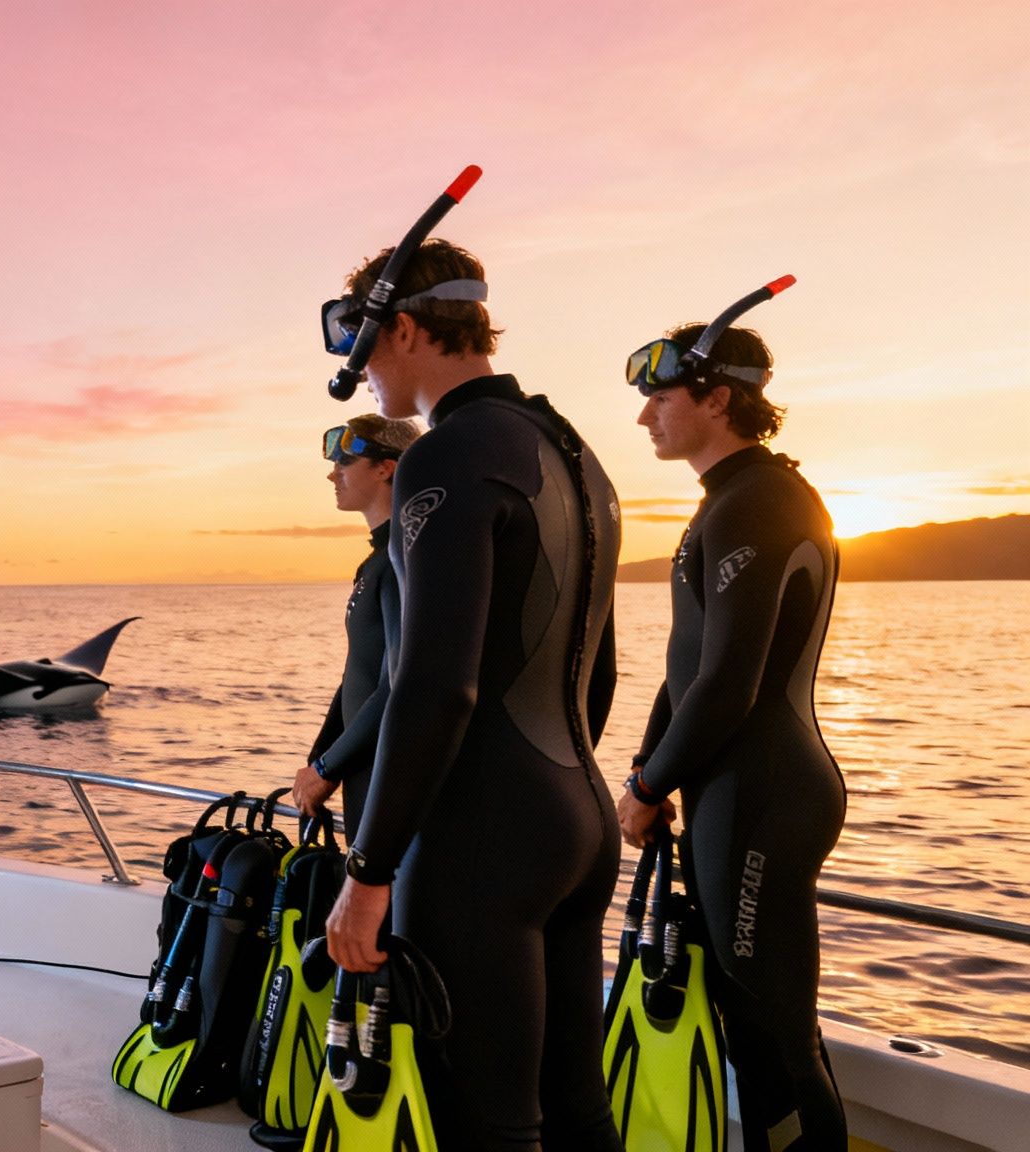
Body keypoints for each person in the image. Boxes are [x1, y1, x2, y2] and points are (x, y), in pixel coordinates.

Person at [321, 239, 624, 1151]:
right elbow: (597, 667)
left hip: (481, 843)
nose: (364, 371)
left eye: (366, 347)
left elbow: (434, 684)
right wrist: (552, 791)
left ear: (407, 329)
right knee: (576, 1111)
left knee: (486, 1124)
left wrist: (370, 873)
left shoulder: (444, 457)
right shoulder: (572, 453)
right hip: (578, 816)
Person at [618, 322, 847, 1150]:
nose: (646, 416)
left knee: (775, 1031)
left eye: (661, 396)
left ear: (718, 399)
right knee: (752, 1026)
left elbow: (728, 684)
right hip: (737, 790)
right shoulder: (733, 498)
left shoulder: (761, 501)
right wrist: (651, 766)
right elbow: (689, 671)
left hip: (764, 793)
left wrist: (648, 788)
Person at [290, 414, 421, 833]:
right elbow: (357, 675)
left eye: (344, 463)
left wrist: (329, 766)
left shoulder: (406, 563)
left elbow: (398, 685)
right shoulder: (380, 562)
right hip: (364, 775)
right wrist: (318, 762)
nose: (332, 475)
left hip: (390, 785)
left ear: (385, 468)